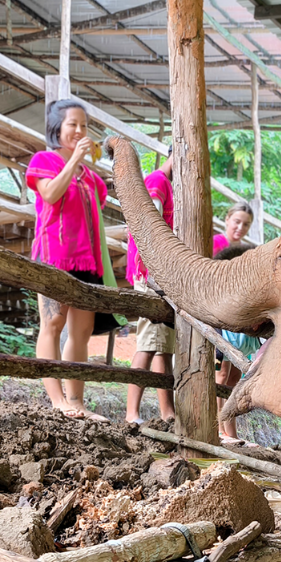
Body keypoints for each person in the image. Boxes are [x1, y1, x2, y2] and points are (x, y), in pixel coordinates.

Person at [26, 100, 114, 423]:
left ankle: (76, 402)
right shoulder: (43, 160)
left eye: (83, 126)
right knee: (52, 323)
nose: (79, 131)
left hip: (88, 262)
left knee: (82, 331)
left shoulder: (92, 178)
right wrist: (75, 158)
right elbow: (50, 195)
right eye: (72, 125)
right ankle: (56, 400)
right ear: (56, 129)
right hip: (54, 256)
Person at [124, 151, 177, 425]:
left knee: (163, 346)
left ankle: (167, 412)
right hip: (150, 273)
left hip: (163, 276)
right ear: (174, 154)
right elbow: (151, 226)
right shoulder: (157, 180)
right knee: (147, 342)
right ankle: (131, 413)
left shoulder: (173, 188)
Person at [212, 243, 261, 445]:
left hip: (241, 337)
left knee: (233, 379)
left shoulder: (251, 284)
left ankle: (230, 430)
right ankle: (218, 428)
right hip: (225, 336)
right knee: (221, 376)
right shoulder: (223, 283)